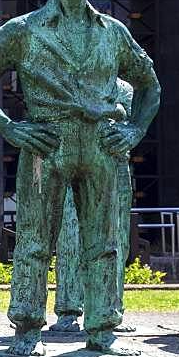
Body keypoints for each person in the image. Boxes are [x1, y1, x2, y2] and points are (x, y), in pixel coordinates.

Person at [0, 0, 161, 356]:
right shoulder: (24, 30)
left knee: (104, 241)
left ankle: (102, 328)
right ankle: (27, 327)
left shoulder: (112, 32)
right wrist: (9, 127)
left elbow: (149, 85)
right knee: (35, 239)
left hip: (100, 143)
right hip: (46, 141)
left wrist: (135, 130)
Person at [50, 79, 136, 334]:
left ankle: (111, 310)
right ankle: (68, 310)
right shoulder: (71, 78)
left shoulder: (125, 89)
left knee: (116, 242)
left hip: (115, 165)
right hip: (75, 163)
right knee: (70, 239)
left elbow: (131, 126)